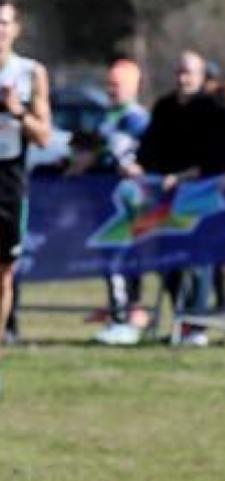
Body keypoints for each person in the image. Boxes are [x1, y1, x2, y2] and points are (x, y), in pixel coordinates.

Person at [133, 50, 225, 346]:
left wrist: (190, 175)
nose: (183, 78)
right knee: (168, 258)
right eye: (179, 72)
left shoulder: (214, 110)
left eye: (189, 73)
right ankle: (181, 319)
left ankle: (197, 325)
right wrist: (137, 165)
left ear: (201, 76)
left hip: (200, 192)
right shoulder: (164, 107)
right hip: (165, 195)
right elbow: (148, 147)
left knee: (199, 258)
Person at [77, 59, 151, 346]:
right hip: (104, 200)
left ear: (132, 86)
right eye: (108, 83)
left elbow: (122, 153)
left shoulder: (136, 119)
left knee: (123, 259)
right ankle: (120, 314)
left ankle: (126, 317)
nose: (110, 89)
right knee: (110, 260)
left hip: (128, 203)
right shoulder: (107, 117)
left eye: (116, 84)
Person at [0, 0, 52, 358]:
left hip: (9, 178)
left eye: (4, 23)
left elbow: (45, 135)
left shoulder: (29, 72)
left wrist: (17, 112)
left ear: (16, 29)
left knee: (3, 271)